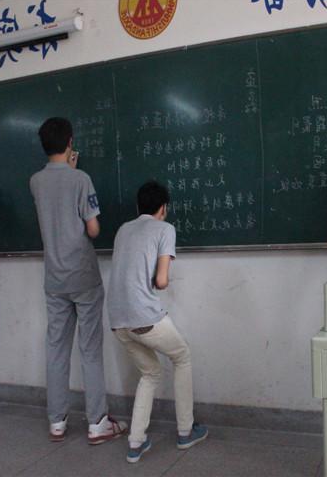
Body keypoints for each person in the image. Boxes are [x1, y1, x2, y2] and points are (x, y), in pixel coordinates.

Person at [30, 117, 127, 444]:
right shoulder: (81, 179)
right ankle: (97, 422)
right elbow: (94, 229)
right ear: (70, 142)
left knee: (56, 348)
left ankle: (56, 421)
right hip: (83, 276)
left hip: (54, 278)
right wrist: (74, 173)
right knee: (90, 349)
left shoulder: (35, 181)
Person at [107, 181, 207, 464]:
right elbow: (162, 281)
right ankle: (186, 431)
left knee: (150, 373)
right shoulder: (165, 229)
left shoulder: (123, 229)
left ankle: (136, 442)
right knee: (182, 356)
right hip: (144, 317)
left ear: (138, 206)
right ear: (163, 208)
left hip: (117, 320)